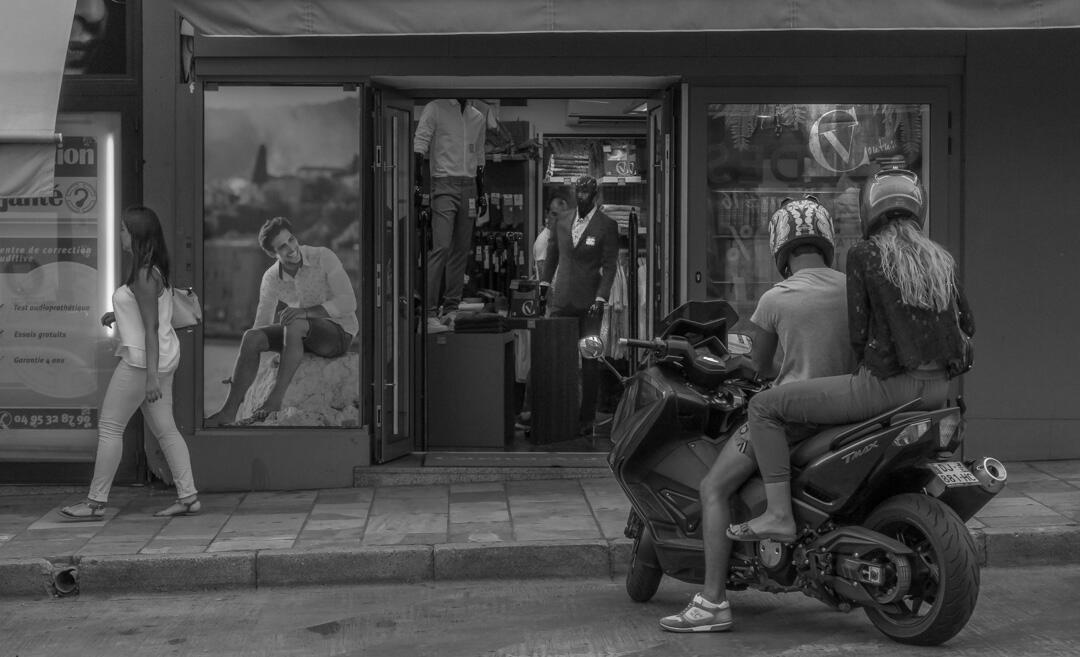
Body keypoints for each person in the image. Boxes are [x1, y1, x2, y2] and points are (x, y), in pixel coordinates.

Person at [728, 168, 975, 543]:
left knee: (763, 407)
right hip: (939, 391)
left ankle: (778, 514)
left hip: (886, 388)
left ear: (869, 211)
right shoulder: (942, 259)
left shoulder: (864, 254)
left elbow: (859, 338)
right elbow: (968, 325)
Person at [659, 195, 856, 632]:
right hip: (850, 414)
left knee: (712, 487)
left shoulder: (776, 298)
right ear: (827, 242)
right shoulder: (852, 289)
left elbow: (761, 368)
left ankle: (712, 602)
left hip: (792, 419)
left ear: (780, 248)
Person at [60, 206, 200, 520]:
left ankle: (95, 503)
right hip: (162, 358)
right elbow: (148, 313)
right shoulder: (152, 270)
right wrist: (117, 314)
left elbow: (150, 327)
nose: (119, 235)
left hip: (142, 363)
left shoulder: (144, 274)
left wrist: (150, 378)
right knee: (165, 430)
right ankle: (188, 496)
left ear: (135, 236)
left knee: (110, 427)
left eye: (123, 230)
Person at [204, 216, 358, 427]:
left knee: (294, 321)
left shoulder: (323, 256)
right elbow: (262, 321)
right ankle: (228, 412)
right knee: (251, 337)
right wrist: (239, 373)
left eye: (291, 240)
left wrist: (304, 312)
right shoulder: (271, 277)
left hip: (339, 333)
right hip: (301, 334)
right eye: (282, 247)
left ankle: (274, 401)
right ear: (272, 253)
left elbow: (348, 302)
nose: (291, 248)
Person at [540, 176, 619, 436]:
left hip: (589, 303)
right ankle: (558, 414)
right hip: (561, 298)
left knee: (590, 360)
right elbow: (552, 255)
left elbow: (609, 267)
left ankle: (586, 418)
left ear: (595, 195)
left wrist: (601, 298)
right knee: (558, 358)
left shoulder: (607, 225)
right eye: (580, 192)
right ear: (575, 194)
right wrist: (543, 286)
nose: (583, 197)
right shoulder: (561, 220)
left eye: (588, 193)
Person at [414, 98, 488, 333]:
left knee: (460, 250)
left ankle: (451, 310)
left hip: (469, 186)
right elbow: (420, 144)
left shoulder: (478, 116)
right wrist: (418, 182)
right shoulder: (436, 107)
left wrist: (481, 191)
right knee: (441, 247)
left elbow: (479, 155)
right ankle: (428, 313)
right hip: (443, 182)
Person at [534, 195, 569, 281]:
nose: (557, 219)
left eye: (562, 216)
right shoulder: (544, 241)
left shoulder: (559, 237)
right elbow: (544, 279)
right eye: (554, 214)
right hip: (550, 293)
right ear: (547, 213)